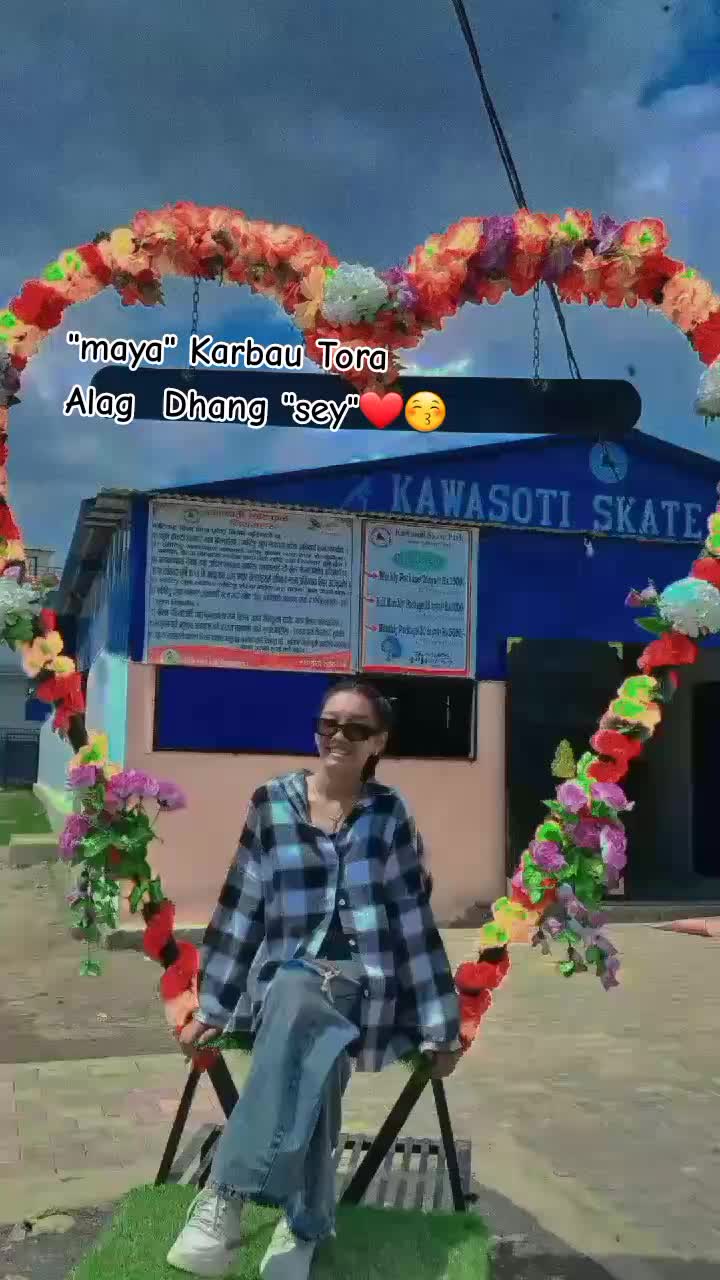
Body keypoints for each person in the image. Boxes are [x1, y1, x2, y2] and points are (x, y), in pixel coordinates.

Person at [167, 678, 463, 1279]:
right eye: (329, 724)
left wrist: (440, 1024)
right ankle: (302, 1224)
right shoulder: (271, 804)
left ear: (378, 742)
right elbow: (241, 908)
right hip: (284, 979)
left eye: (356, 729)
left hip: (361, 983)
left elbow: (411, 920)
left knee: (305, 1003)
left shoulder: (389, 815)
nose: (338, 737)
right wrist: (214, 1006)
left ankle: (225, 1197)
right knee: (304, 1017)